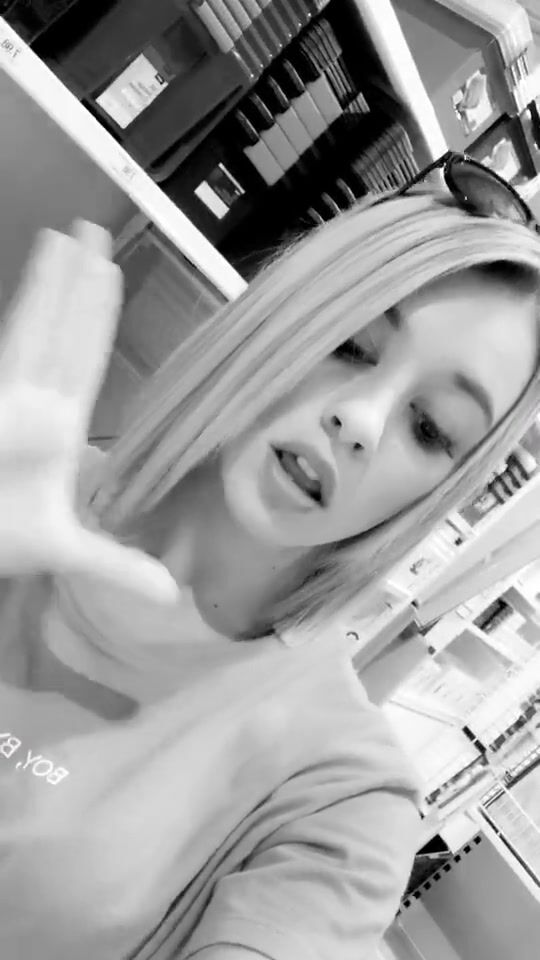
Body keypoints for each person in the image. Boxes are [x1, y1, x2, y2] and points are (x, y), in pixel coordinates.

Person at [1, 171, 540, 960]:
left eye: (430, 427)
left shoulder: (341, 800)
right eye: (353, 344)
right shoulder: (17, 487)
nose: (360, 420)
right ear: (287, 311)